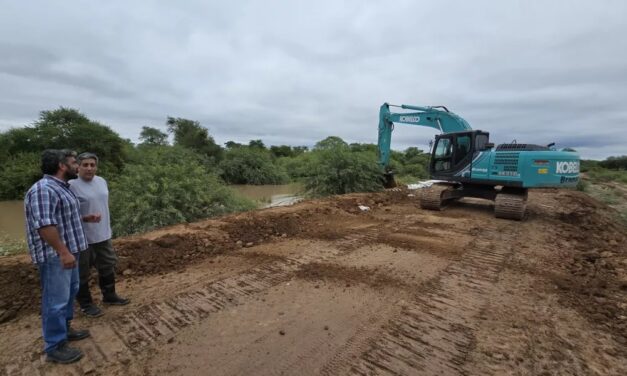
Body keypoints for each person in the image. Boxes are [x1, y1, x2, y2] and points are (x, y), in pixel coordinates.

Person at [24, 149, 95, 364]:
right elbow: (45, 225)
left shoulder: (61, 188)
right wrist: (63, 252)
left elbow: (61, 216)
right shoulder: (44, 190)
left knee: (68, 294)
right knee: (55, 301)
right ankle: (54, 346)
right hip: (56, 256)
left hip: (68, 252)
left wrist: (85, 218)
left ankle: (64, 330)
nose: (77, 165)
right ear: (62, 165)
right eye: (74, 162)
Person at [69, 152, 129, 318]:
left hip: (103, 234)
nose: (89, 168)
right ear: (78, 167)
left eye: (92, 165)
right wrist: (85, 218)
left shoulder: (101, 181)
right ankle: (86, 305)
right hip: (82, 239)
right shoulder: (71, 185)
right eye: (85, 165)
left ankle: (109, 296)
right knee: (82, 273)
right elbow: (66, 215)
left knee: (107, 266)